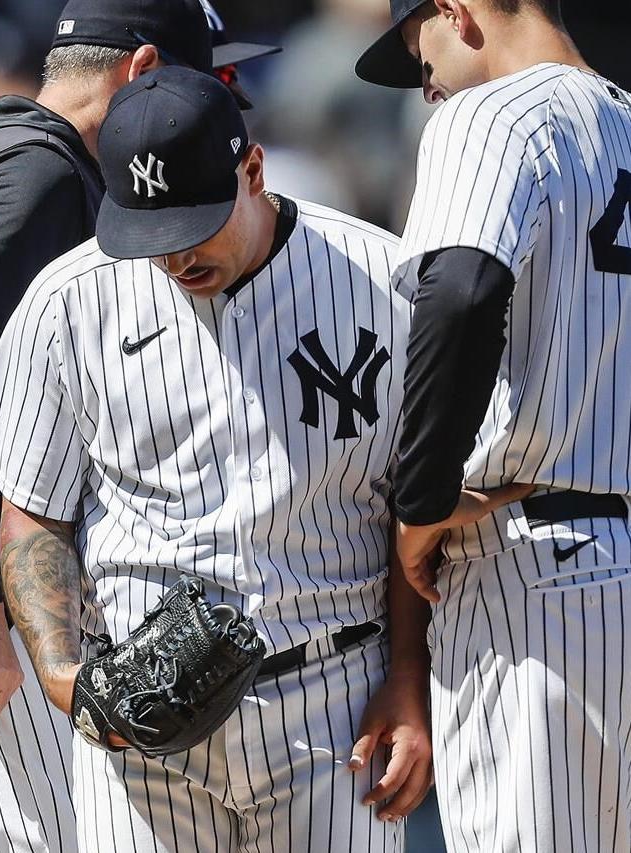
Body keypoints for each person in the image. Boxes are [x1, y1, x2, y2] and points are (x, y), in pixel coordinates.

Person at [0, 64, 435, 852]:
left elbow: (414, 509)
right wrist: (64, 677)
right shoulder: (67, 299)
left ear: (252, 171)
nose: (174, 256)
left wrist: (408, 679)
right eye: (150, 234)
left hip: (327, 697)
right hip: (141, 714)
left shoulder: (380, 282)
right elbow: (32, 509)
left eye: (193, 224)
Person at [0, 2, 279, 851]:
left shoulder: (14, 158)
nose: (222, 105)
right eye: (212, 82)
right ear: (143, 71)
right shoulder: (32, 170)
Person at [356, 1, 631, 850]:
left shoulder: (492, 113)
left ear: (456, 10)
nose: (427, 84)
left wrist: (422, 497)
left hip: (536, 575)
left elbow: (462, 288)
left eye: (419, 46)